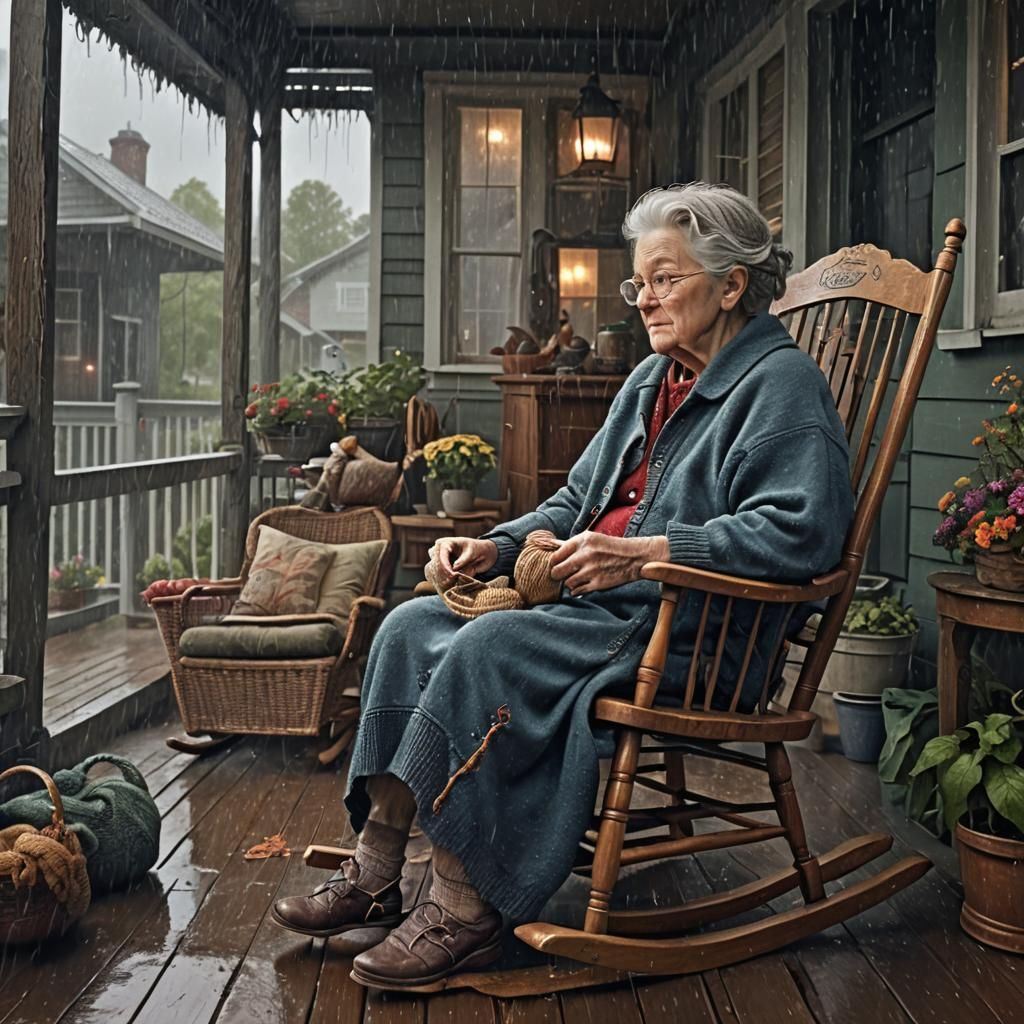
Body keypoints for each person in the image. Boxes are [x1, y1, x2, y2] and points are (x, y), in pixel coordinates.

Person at [272, 182, 855, 990]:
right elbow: (571, 503)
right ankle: (376, 867)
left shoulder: (781, 386)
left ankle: (463, 905)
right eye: (639, 283)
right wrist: (493, 547)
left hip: (688, 630)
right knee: (410, 625)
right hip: (598, 611)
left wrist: (649, 551)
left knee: (486, 646)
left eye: (665, 280)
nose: (644, 301)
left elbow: (803, 534)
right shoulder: (651, 382)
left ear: (731, 285)